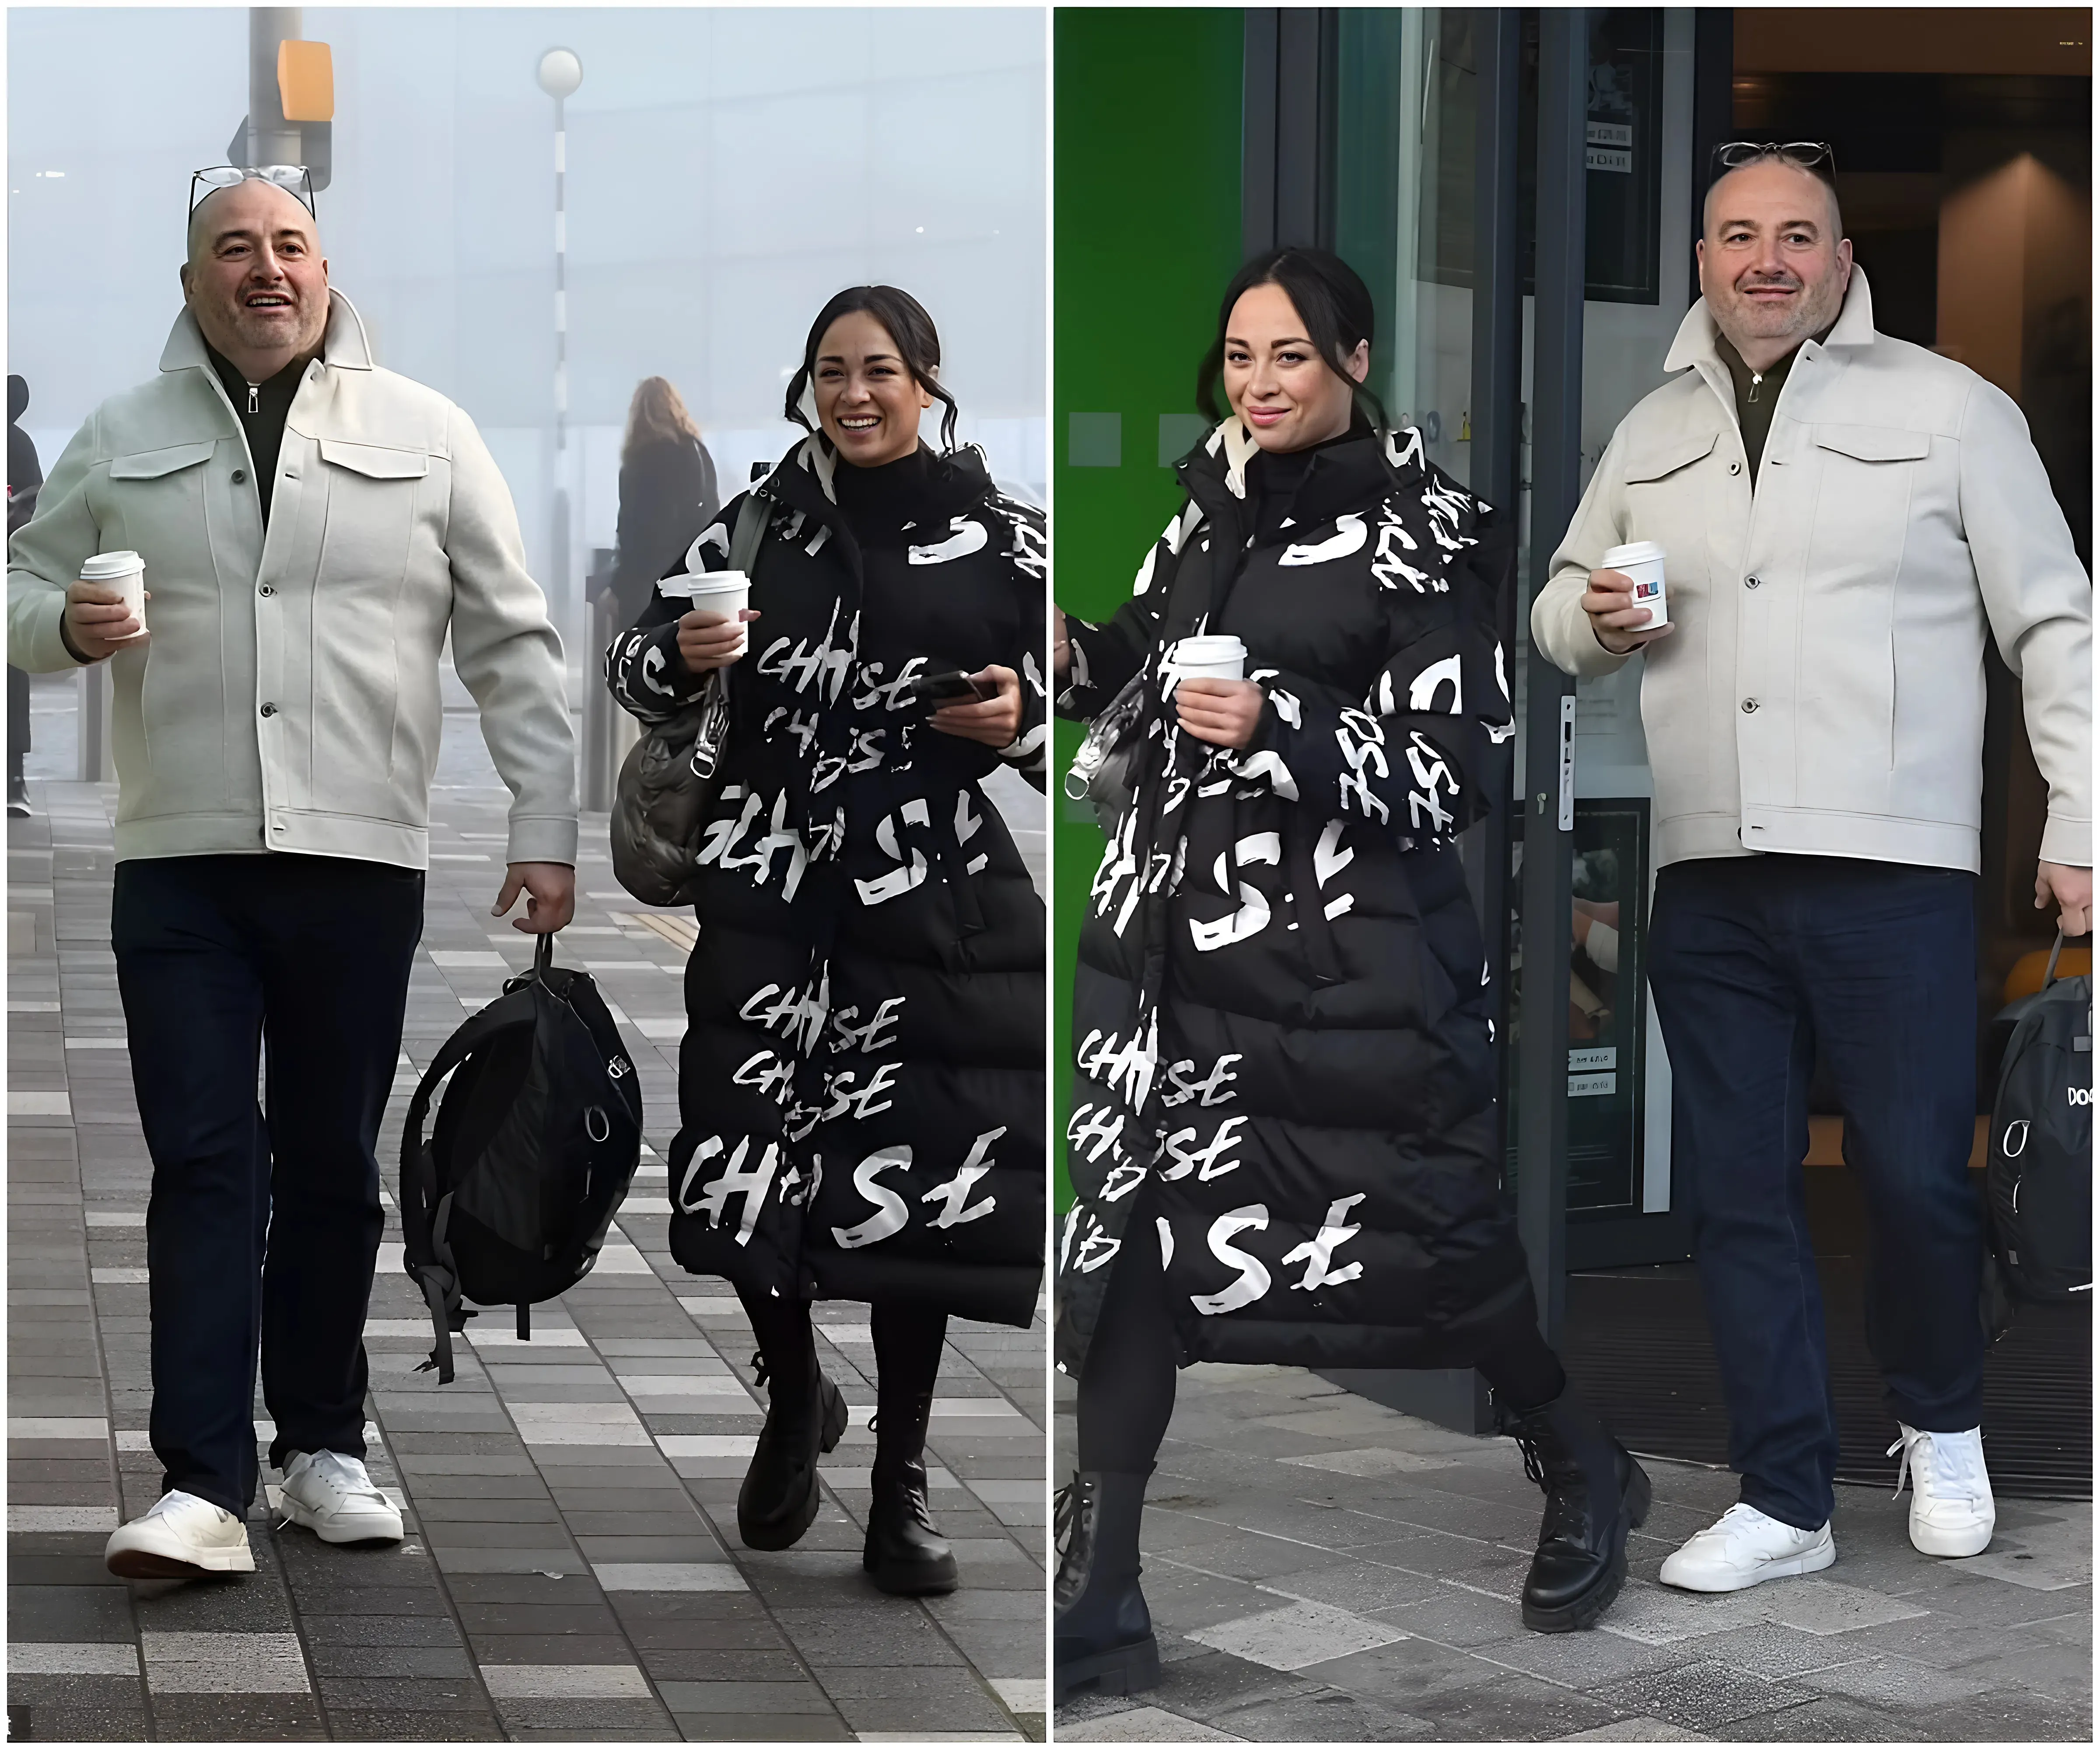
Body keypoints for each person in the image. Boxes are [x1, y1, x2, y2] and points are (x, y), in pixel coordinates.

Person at [1050, 248, 1648, 1704]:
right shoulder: (1204, 513)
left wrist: (1279, 724)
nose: (1259, 385)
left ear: (1358, 362)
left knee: (1432, 1256)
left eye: (1291, 358)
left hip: (1353, 974)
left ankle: (1583, 1460)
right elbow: (1128, 665)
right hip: (1178, 972)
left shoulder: (1433, 534)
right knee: (1134, 1252)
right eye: (1241, 357)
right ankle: (1104, 1583)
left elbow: (1457, 768)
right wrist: (1063, 655)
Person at [1533, 143, 2092, 1592]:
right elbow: (1557, 608)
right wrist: (1592, 619)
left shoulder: (1950, 410)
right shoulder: (1652, 429)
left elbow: (2057, 627)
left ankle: (1946, 1420)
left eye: (1797, 235)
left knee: (1914, 1180)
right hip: (1711, 872)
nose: (1766, 259)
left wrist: (2082, 835)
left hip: (1895, 873)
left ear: (1844, 263)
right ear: (1704, 262)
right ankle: (1784, 1494)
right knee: (1736, 1191)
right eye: (1737, 236)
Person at [6, 167, 578, 1580]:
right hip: (180, 865)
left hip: (355, 858)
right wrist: (63, 627)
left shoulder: (425, 433)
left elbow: (510, 637)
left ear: (326, 270)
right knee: (206, 1163)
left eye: (290, 247)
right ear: (192, 281)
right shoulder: (122, 433)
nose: (266, 271)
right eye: (234, 251)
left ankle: (323, 1446)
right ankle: (201, 1483)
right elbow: (17, 590)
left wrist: (544, 826)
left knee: (329, 1165)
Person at [606, 285, 1046, 1596]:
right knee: (743, 1161)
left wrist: (1014, 723)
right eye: (831, 372)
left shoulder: (1000, 542)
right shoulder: (749, 522)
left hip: (933, 911)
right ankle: (794, 1384)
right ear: (808, 387)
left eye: (881, 370)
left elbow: (1070, 716)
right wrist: (682, 655)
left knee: (912, 1193)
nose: (854, 394)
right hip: (770, 895)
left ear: (926, 380)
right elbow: (632, 670)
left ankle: (901, 1484)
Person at [602, 376, 721, 632]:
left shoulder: (639, 461)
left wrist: (617, 587)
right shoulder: (699, 454)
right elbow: (713, 517)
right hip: (693, 585)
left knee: (641, 663)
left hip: (646, 590)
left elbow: (632, 533)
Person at [7, 374, 42, 816]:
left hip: (7, 579)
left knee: (11, 673)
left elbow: (34, 508)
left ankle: (13, 776)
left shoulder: (15, 444)